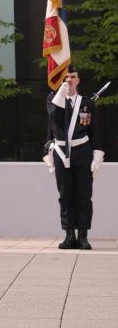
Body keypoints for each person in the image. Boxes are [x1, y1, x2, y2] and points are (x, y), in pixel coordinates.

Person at [48, 66, 103, 250]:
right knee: (65, 195)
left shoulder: (87, 103)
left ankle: (83, 235)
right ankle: (69, 234)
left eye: (72, 76)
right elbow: (54, 119)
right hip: (62, 152)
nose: (69, 80)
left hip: (82, 151)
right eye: (66, 77)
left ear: (78, 80)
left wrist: (97, 154)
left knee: (84, 195)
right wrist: (61, 95)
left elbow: (94, 131)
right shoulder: (53, 100)